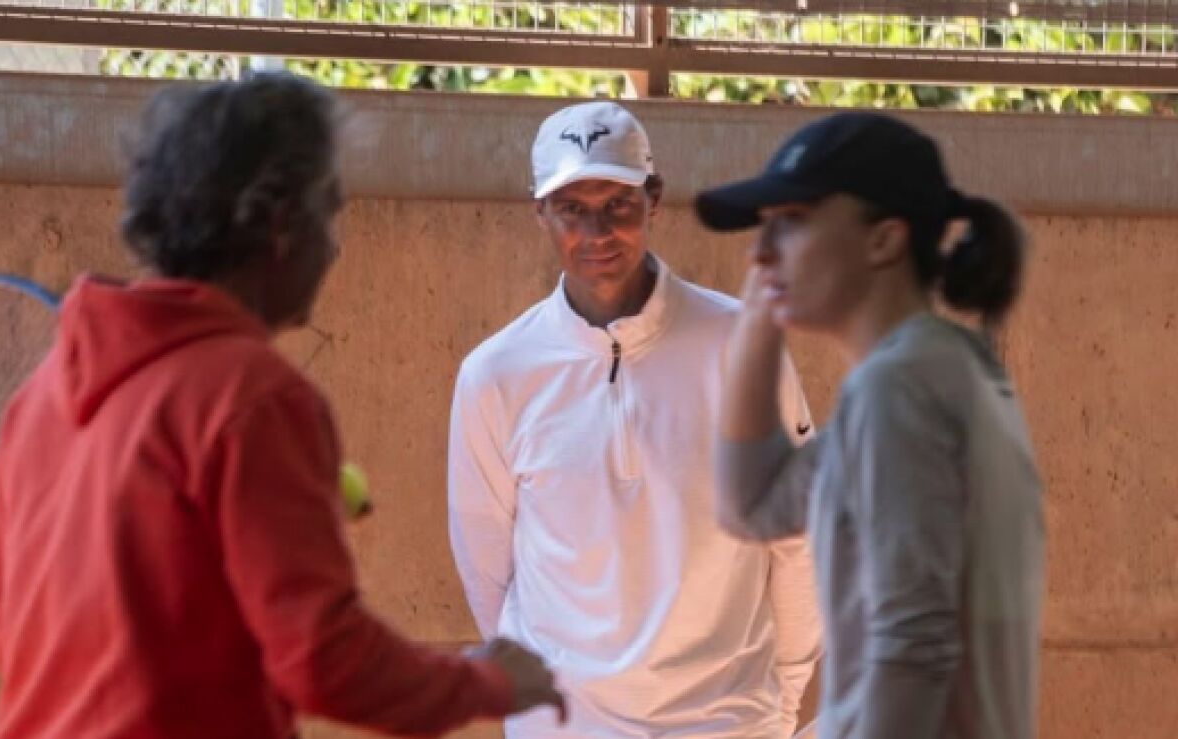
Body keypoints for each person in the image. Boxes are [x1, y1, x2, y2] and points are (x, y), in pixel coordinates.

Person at [0, 73, 563, 739]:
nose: (336, 244)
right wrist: (489, 681)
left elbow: (10, 635)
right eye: (330, 210)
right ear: (280, 224)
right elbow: (324, 658)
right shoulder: (253, 396)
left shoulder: (39, 397)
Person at [447, 100, 821, 738]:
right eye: (572, 208)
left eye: (617, 203)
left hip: (725, 723)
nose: (597, 233)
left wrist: (781, 701)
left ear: (654, 200)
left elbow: (797, 538)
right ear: (539, 212)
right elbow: (489, 567)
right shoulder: (496, 374)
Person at [697, 111, 1045, 739]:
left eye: (793, 222)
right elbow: (751, 504)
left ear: (884, 240)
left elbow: (912, 646)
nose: (760, 253)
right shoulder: (933, 370)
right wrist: (757, 321)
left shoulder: (900, 389)